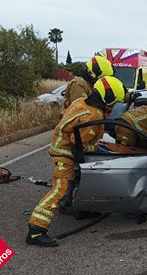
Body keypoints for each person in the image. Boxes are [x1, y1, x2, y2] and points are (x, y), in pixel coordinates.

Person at [27, 76, 127, 247]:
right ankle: (36, 230)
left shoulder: (82, 102)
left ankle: (84, 210)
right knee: (61, 190)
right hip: (65, 153)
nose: (113, 107)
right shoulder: (93, 115)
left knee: (82, 181)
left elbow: (65, 117)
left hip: (60, 146)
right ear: (108, 100)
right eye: (114, 103)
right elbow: (78, 143)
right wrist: (98, 150)